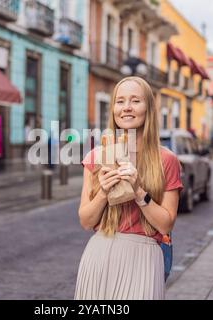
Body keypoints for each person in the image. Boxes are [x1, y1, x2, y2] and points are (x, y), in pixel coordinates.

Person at [75, 77, 183, 300]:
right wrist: (104, 193)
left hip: (143, 259)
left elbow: (166, 224)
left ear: (149, 109)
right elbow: (86, 221)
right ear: (113, 108)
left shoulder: (167, 160)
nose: (126, 108)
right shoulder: (96, 157)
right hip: (99, 257)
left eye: (135, 101)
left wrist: (139, 191)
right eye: (120, 101)